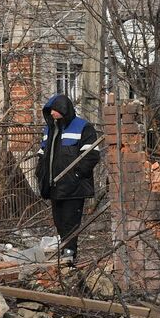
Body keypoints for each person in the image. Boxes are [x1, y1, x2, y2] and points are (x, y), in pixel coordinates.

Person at [35, 93, 100, 265]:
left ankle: (70, 253)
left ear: (64, 110)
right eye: (50, 111)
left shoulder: (82, 127)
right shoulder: (50, 128)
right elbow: (43, 152)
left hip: (74, 186)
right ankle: (65, 249)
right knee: (59, 220)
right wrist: (40, 172)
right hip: (54, 184)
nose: (53, 114)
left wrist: (77, 174)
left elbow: (91, 155)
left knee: (71, 220)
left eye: (55, 110)